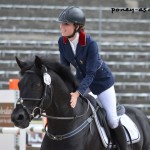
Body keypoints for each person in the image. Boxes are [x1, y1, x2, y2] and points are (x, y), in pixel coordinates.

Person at [57, 6, 127, 150]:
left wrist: (77, 93)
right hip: (82, 81)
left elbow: (91, 74)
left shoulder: (90, 44)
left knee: (112, 121)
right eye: (61, 23)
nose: (61, 27)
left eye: (66, 24)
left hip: (102, 83)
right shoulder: (62, 42)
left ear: (77, 26)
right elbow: (65, 69)